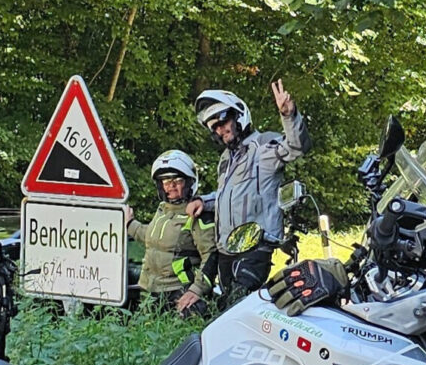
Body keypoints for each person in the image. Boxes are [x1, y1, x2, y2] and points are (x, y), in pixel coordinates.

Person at [193, 79, 310, 305]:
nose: (220, 129)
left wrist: (289, 115)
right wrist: (203, 202)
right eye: (215, 127)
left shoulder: (263, 145)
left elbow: (296, 147)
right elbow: (227, 196)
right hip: (227, 250)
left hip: (255, 247)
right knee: (225, 309)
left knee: (237, 306)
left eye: (223, 121)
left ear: (238, 116)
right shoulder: (226, 159)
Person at [131, 151, 215, 316]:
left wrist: (196, 290)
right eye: (166, 181)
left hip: (179, 293)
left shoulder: (197, 212)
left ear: (189, 182)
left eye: (177, 180)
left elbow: (211, 255)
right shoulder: (162, 210)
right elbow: (152, 238)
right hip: (150, 290)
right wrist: (129, 224)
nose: (171, 186)